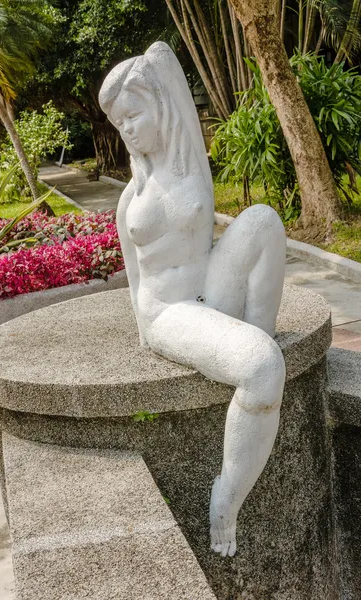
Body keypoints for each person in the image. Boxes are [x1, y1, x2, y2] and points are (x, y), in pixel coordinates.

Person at [99, 42, 287, 558]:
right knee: (263, 367)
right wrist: (149, 335)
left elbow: (160, 57)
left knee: (264, 220)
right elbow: (139, 287)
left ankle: (255, 343)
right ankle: (227, 496)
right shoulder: (131, 198)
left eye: (134, 113)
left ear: (162, 106)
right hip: (169, 312)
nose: (128, 130)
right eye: (119, 123)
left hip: (209, 287)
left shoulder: (190, 166)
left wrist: (147, 71)